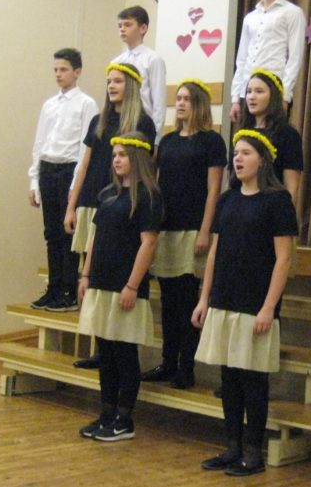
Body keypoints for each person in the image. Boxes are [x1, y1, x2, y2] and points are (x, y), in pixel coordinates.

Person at [193, 129, 298, 476]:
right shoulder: (227, 200)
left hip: (255, 302)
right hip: (225, 298)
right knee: (229, 377)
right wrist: (204, 298)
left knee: (253, 379)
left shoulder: (277, 201)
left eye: (246, 153)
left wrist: (269, 307)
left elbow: (283, 259)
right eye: (235, 153)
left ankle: (253, 452)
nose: (237, 159)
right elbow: (215, 253)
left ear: (262, 160)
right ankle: (232, 446)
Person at [65, 63, 156, 369]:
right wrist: (72, 204)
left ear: (131, 85)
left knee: (114, 270)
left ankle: (115, 348)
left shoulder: (142, 122)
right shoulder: (99, 120)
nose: (111, 86)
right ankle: (100, 345)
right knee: (92, 273)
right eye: (109, 81)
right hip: (96, 198)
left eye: (118, 81)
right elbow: (85, 164)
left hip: (123, 201)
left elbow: (146, 164)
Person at [77, 132, 162, 442]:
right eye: (114, 155)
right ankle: (106, 413)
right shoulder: (107, 194)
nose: (116, 160)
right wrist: (85, 275)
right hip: (101, 282)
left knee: (124, 354)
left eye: (123, 155)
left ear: (136, 158)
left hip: (125, 285)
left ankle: (124, 419)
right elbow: (95, 237)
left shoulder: (147, 196)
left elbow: (148, 243)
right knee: (106, 353)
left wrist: (132, 285)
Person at [141, 80, 225, 389]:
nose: (181, 103)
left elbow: (213, 189)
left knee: (188, 299)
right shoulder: (167, 141)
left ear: (199, 103)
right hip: (168, 227)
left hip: (192, 228)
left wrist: (205, 230)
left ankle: (186, 366)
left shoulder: (211, 141)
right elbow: (157, 184)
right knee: (168, 299)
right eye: (178, 98)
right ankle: (167, 361)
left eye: (187, 99)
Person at [28, 48, 98, 313]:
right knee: (51, 233)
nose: (58, 74)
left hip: (70, 169)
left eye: (64, 69)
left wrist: (75, 185)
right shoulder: (49, 105)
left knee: (68, 231)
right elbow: (39, 143)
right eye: (56, 70)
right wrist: (34, 180)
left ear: (77, 72)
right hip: (48, 168)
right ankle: (54, 287)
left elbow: (84, 147)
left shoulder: (86, 104)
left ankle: (68, 290)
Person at [229, 0, 306, 122]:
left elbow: (295, 58)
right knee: (247, 136)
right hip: (247, 91)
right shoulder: (250, 17)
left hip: (274, 91)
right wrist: (235, 97)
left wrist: (285, 95)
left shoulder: (292, 13)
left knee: (272, 135)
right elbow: (242, 59)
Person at [234, 69, 303, 207]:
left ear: (273, 97)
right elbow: (233, 180)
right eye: (249, 92)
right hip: (241, 207)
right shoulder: (242, 133)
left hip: (271, 208)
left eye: (259, 91)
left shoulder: (288, 135)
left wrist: (284, 215)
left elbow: (291, 188)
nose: (252, 97)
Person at [112, 6, 167, 142]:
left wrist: (156, 139)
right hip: (119, 124)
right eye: (120, 26)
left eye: (128, 25)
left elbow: (158, 102)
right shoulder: (116, 62)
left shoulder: (153, 59)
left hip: (142, 125)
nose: (122, 29)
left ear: (143, 28)